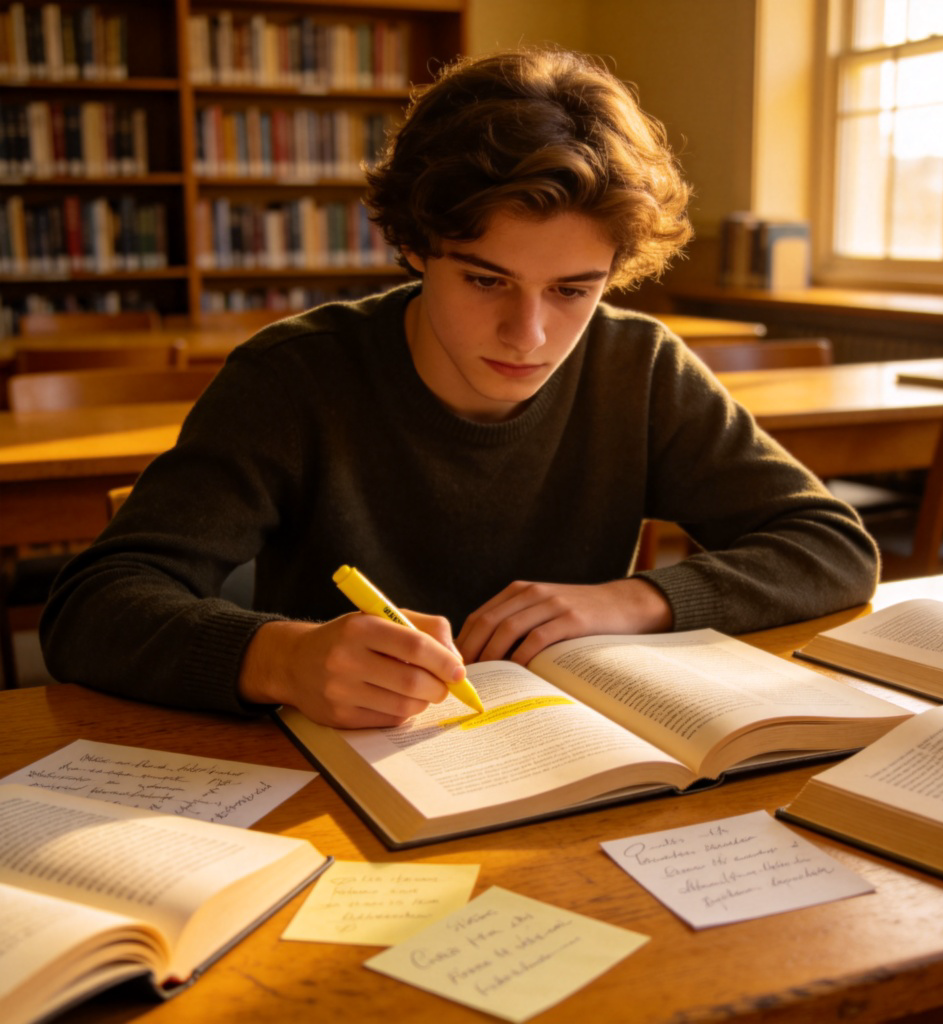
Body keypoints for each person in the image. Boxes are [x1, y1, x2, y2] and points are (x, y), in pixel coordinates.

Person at [41, 47, 878, 728]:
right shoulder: (293, 377)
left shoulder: (642, 369)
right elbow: (90, 608)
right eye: (486, 281)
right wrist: (281, 658)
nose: (532, 335)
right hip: (323, 780)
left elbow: (833, 546)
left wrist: (640, 600)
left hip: (564, 761)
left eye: (572, 290)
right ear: (416, 245)